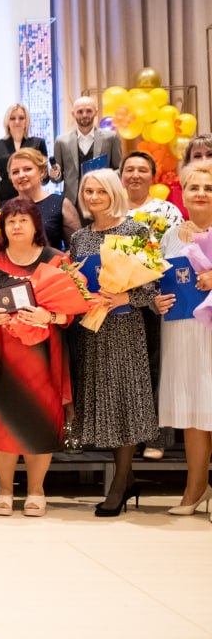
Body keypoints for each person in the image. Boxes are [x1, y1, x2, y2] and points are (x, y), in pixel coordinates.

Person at [0, 198, 75, 517]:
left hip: (42, 360)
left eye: (23, 220)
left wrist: (48, 316)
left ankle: (36, 490)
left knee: (41, 421)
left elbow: (71, 311)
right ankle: (4, 489)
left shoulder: (56, 260)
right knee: (0, 422)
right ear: (2, 227)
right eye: (10, 221)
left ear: (35, 225)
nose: (16, 226)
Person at [67, 169, 159, 516]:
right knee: (104, 407)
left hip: (124, 329)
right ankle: (127, 478)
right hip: (91, 331)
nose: (93, 197)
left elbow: (154, 286)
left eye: (100, 191)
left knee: (124, 404)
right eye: (88, 191)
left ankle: (119, 485)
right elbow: (74, 284)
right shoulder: (79, 237)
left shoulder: (136, 231)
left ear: (114, 192)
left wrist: (126, 299)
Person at [153, 160, 212, 516]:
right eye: (194, 187)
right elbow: (159, 279)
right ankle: (195, 488)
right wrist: (157, 300)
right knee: (194, 409)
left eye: (208, 188)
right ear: (183, 193)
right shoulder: (170, 236)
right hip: (181, 330)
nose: (201, 193)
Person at [121, 150, 184, 460]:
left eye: (142, 170)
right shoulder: (114, 209)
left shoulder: (167, 210)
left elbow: (179, 251)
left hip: (159, 298)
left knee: (158, 367)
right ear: (121, 175)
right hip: (121, 299)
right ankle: (129, 436)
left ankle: (157, 438)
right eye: (129, 169)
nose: (135, 175)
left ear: (152, 176)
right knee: (129, 370)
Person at [52, 96, 124, 207]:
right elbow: (57, 178)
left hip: (102, 200)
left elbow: (119, 170)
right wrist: (55, 175)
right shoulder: (61, 141)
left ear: (96, 112)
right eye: (80, 111)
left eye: (89, 111)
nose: (84, 115)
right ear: (73, 114)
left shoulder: (111, 138)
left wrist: (104, 177)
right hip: (73, 203)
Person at [6, 148, 80, 251]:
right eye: (15, 172)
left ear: (42, 172)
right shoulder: (6, 208)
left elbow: (77, 248)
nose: (21, 175)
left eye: (27, 169)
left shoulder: (61, 204)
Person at [0, 103, 49, 208]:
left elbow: (45, 179)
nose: (17, 121)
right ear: (7, 122)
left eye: (21, 118)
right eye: (12, 118)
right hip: (3, 201)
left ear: (26, 121)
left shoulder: (38, 143)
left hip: (32, 200)